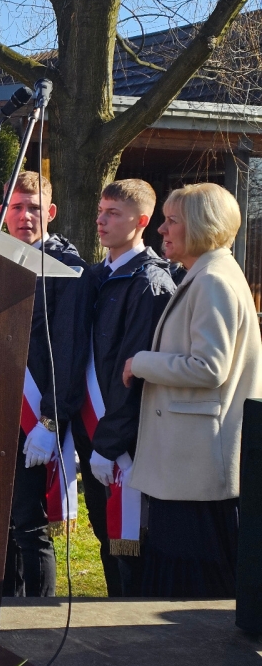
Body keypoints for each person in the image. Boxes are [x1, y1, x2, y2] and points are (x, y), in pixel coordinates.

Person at [123, 182, 262, 598]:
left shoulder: (212, 280)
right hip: (190, 462)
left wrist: (141, 362)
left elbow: (209, 367)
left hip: (195, 466)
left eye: (172, 221)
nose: (161, 230)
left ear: (200, 225)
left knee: (194, 587)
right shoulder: (207, 274)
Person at [71, 180, 175, 596]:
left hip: (123, 438)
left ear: (142, 221)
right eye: (100, 210)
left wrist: (110, 441)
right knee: (105, 537)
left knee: (130, 544)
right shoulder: (97, 275)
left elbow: (135, 374)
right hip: (92, 430)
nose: (101, 220)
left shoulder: (149, 282)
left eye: (113, 213)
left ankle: (129, 622)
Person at [1, 171, 86, 598]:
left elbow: (67, 351)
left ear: (50, 212)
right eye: (16, 207)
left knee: (31, 525)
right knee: (1, 522)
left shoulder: (65, 269)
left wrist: (50, 422)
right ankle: (2, 609)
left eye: (33, 208)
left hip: (37, 417)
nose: (24, 216)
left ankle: (37, 617)